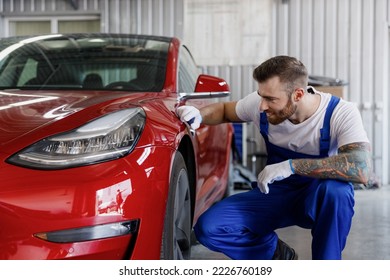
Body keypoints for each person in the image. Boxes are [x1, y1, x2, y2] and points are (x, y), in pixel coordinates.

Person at [176, 55, 371, 260]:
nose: (262, 106)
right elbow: (225, 111)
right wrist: (199, 114)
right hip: (274, 192)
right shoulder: (261, 105)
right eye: (261, 96)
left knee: (337, 192)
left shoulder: (340, 113)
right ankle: (277, 254)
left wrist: (292, 166)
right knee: (209, 228)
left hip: (317, 196)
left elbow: (360, 168)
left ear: (297, 95)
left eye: (270, 99)